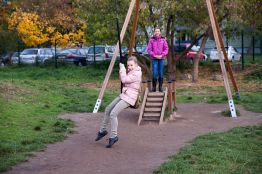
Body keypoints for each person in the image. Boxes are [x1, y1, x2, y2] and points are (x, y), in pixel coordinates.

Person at [95, 56, 142, 148]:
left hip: (130, 97)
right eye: (128, 65)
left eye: (131, 65)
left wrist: (122, 68)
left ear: (136, 65)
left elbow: (124, 80)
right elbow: (123, 79)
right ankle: (102, 131)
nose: (129, 67)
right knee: (108, 109)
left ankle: (113, 136)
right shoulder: (131, 71)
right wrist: (123, 70)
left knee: (113, 114)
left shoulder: (137, 73)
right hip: (125, 94)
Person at [147, 27, 169, 92]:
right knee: (155, 73)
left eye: (158, 31)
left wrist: (162, 55)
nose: (157, 32)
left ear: (160, 32)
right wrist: (154, 55)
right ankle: (154, 87)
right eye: (156, 31)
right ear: (154, 32)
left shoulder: (163, 40)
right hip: (154, 59)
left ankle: (160, 87)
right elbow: (149, 50)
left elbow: (166, 49)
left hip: (161, 59)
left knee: (161, 73)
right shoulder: (151, 40)